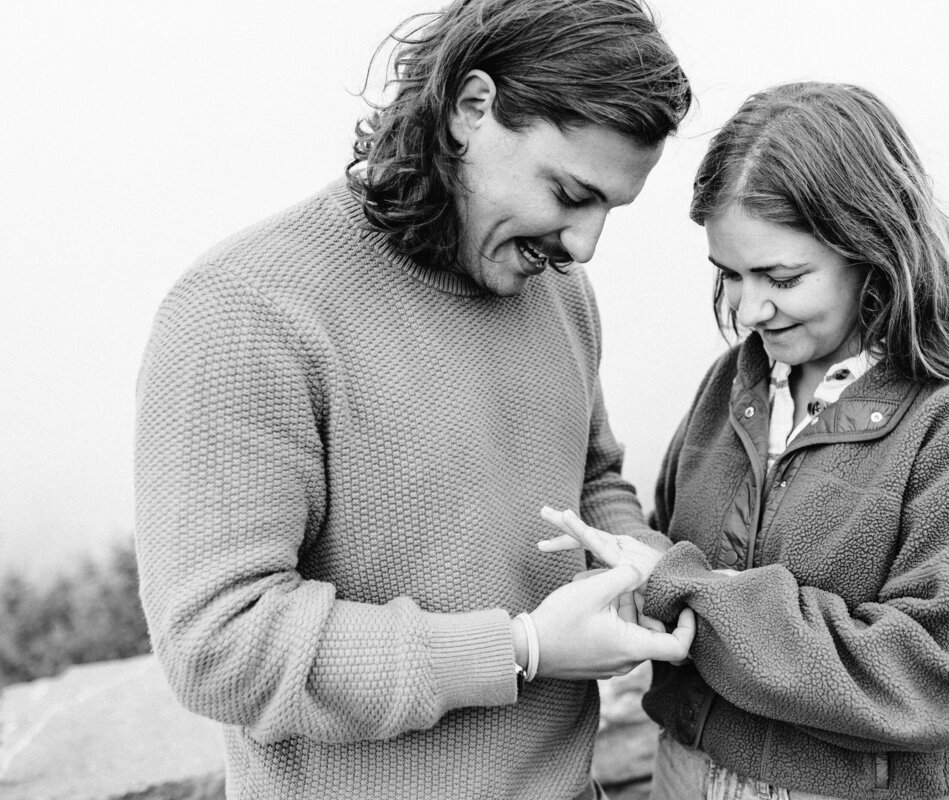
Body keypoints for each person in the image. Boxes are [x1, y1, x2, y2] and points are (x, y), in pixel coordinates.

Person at [134, 1, 695, 798]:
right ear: (472, 108)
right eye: (570, 193)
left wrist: (636, 563)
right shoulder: (246, 310)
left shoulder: (560, 293)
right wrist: (519, 647)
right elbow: (217, 646)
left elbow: (592, 478)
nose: (584, 245)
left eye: (610, 207)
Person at [540, 82, 949, 800]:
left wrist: (686, 590)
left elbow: (941, 673)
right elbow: (669, 550)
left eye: (781, 277)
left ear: (872, 246)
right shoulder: (736, 382)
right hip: (679, 772)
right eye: (730, 275)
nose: (750, 310)